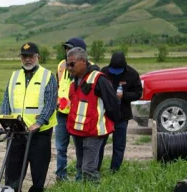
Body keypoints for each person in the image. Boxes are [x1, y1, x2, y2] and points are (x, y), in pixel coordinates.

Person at [0, 42, 58, 192]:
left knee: (39, 167)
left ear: (38, 57)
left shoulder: (48, 76)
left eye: (31, 56)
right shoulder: (14, 76)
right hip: (17, 131)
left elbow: (50, 103)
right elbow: (7, 100)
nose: (27, 60)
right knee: (13, 167)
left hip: (39, 132)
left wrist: (39, 123)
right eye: (24, 57)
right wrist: (6, 121)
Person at [66, 47, 119, 182]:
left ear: (83, 61)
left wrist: (110, 123)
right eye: (68, 64)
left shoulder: (99, 78)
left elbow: (112, 103)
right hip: (78, 131)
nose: (69, 67)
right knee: (80, 166)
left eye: (72, 64)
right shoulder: (74, 80)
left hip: (93, 132)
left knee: (89, 169)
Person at [97, 51, 143, 172]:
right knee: (100, 144)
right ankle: (95, 168)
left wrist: (124, 96)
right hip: (105, 115)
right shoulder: (104, 72)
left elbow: (138, 93)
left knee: (118, 145)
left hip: (122, 115)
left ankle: (114, 170)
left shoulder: (132, 74)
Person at [55, 37, 88, 181]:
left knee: (80, 148)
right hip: (62, 113)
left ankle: (80, 177)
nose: (67, 52)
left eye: (71, 49)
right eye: (66, 49)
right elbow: (58, 84)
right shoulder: (61, 65)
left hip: (78, 114)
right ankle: (61, 176)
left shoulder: (88, 67)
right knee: (61, 148)